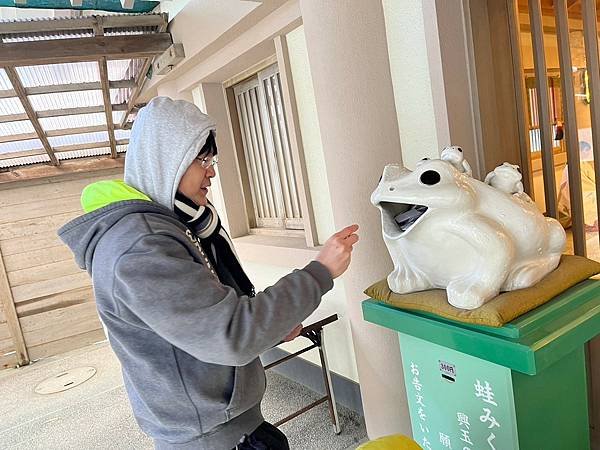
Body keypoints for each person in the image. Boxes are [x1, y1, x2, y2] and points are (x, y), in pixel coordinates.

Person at [58, 97, 359, 450]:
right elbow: (229, 334)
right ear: (167, 160)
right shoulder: (142, 246)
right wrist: (319, 272)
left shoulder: (170, 227)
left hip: (235, 429)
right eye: (202, 159)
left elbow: (204, 323)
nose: (212, 172)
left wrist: (271, 330)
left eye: (211, 159)